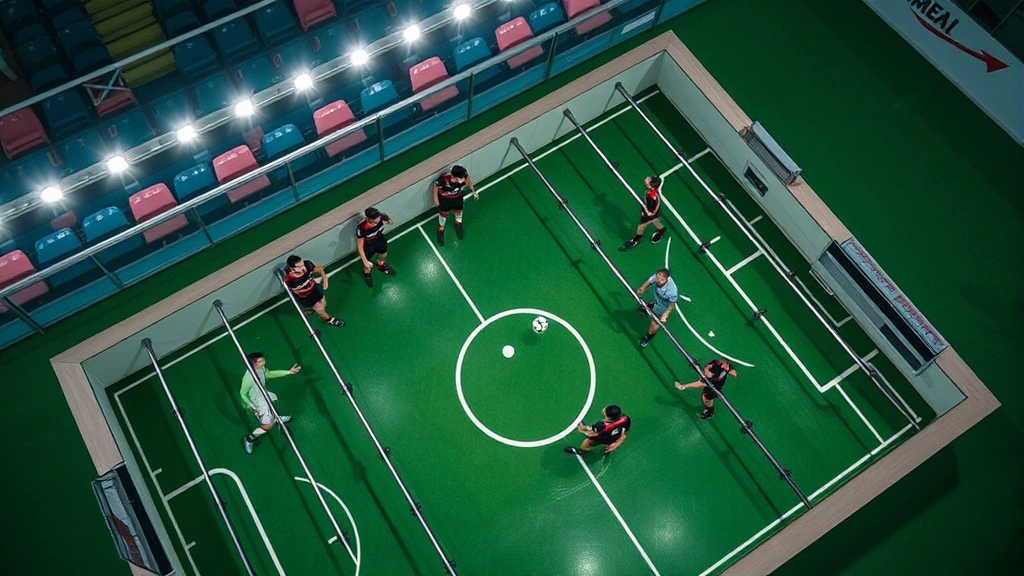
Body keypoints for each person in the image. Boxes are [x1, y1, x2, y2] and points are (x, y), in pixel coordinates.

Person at [241, 353, 302, 454]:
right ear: (254, 364)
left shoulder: (261, 369)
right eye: (261, 361)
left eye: (263, 360)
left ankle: (276, 418)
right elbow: (242, 394)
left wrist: (288, 372)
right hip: (257, 402)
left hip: (264, 395)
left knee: (274, 402)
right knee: (268, 425)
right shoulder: (248, 379)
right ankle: (249, 438)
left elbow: (268, 374)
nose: (264, 362)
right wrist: (251, 405)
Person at [284, 255, 344, 326]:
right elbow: (293, 291)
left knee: (323, 303)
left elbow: (320, 269)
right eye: (299, 267)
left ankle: (318, 311)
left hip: (314, 289)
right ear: (292, 269)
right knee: (320, 308)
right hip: (305, 297)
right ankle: (328, 319)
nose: (303, 268)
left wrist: (325, 279)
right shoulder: (290, 280)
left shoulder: (308, 265)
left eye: (302, 264)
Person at [432, 165, 478, 246]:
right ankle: (441, 229)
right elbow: (435, 187)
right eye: (461, 178)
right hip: (445, 200)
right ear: (455, 178)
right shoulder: (443, 179)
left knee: (459, 211)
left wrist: (473, 191)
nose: (464, 180)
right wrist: (436, 200)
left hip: (458, 197)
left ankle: (458, 223)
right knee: (444, 214)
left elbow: (468, 181)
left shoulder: (463, 174)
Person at [619, 176, 667, 251]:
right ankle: (661, 230)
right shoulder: (652, 191)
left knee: (641, 227)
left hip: (649, 214)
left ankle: (635, 241)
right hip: (653, 212)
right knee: (655, 220)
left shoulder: (652, 196)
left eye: (648, 180)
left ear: (650, 185)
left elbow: (650, 211)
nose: (646, 178)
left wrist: (645, 213)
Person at [564, 405, 630, 456]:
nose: (603, 410)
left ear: (607, 416)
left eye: (604, 411)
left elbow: (586, 428)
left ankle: (581, 452)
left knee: (587, 442)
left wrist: (580, 426)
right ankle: (608, 448)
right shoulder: (625, 419)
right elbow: (624, 433)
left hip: (604, 437)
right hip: (615, 437)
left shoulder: (601, 425)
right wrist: (616, 443)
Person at [636, 268, 678, 348]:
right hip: (657, 298)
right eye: (658, 277)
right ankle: (648, 307)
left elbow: (672, 304)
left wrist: (665, 314)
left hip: (663, 306)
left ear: (667, 279)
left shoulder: (672, 291)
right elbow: (649, 281)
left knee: (655, 323)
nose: (659, 280)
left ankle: (648, 336)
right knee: (650, 304)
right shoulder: (657, 276)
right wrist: (641, 289)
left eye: (662, 279)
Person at [357, 207, 396, 287]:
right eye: (376, 218)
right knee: (367, 266)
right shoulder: (362, 227)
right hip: (368, 245)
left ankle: (381, 265)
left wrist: (387, 218)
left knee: (383, 254)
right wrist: (365, 262)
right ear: (369, 219)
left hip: (379, 240)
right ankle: (367, 274)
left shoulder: (381, 217)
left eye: (379, 216)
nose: (379, 218)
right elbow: (360, 246)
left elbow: (391, 222)